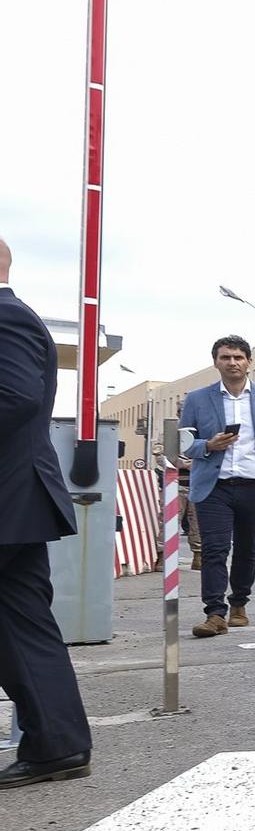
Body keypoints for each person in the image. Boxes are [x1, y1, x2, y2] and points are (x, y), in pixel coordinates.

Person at [0, 238, 92, 788]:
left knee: (22, 627)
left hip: (10, 497)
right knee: (21, 627)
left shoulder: (7, 317)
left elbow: (14, 397)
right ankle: (56, 743)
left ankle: (57, 743)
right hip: (15, 499)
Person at [179, 335, 255, 637]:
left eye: (237, 357)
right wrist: (207, 445)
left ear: (248, 362)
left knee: (247, 549)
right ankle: (215, 614)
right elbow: (181, 444)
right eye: (225, 357)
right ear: (215, 362)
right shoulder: (197, 398)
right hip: (214, 486)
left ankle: (239, 604)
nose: (232, 362)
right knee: (214, 550)